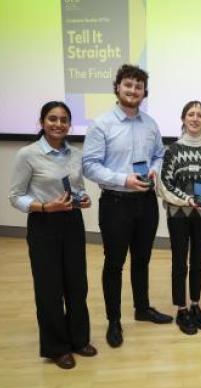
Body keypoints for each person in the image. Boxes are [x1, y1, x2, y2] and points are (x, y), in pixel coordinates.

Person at [83, 64, 172, 348]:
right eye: (128, 85)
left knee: (142, 259)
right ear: (118, 88)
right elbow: (89, 166)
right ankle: (114, 321)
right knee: (114, 263)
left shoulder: (150, 124)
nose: (133, 90)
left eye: (138, 86)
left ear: (144, 92)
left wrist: (156, 170)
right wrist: (124, 179)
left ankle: (142, 309)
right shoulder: (101, 124)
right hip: (116, 203)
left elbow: (159, 154)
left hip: (146, 202)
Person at [9, 101, 97, 369]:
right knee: (49, 289)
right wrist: (46, 206)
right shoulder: (27, 154)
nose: (58, 124)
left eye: (63, 120)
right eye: (52, 119)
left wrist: (83, 199)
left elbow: (77, 187)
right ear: (42, 122)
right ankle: (56, 347)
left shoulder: (75, 154)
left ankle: (79, 339)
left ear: (70, 124)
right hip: (43, 223)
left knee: (76, 285)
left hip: (72, 222)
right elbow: (15, 197)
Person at [160, 101, 201, 335]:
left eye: (200, 115)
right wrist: (187, 200)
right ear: (183, 119)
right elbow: (165, 183)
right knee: (179, 262)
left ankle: (195, 305)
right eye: (190, 114)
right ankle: (181, 308)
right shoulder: (173, 150)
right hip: (178, 214)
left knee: (198, 262)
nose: (195, 118)